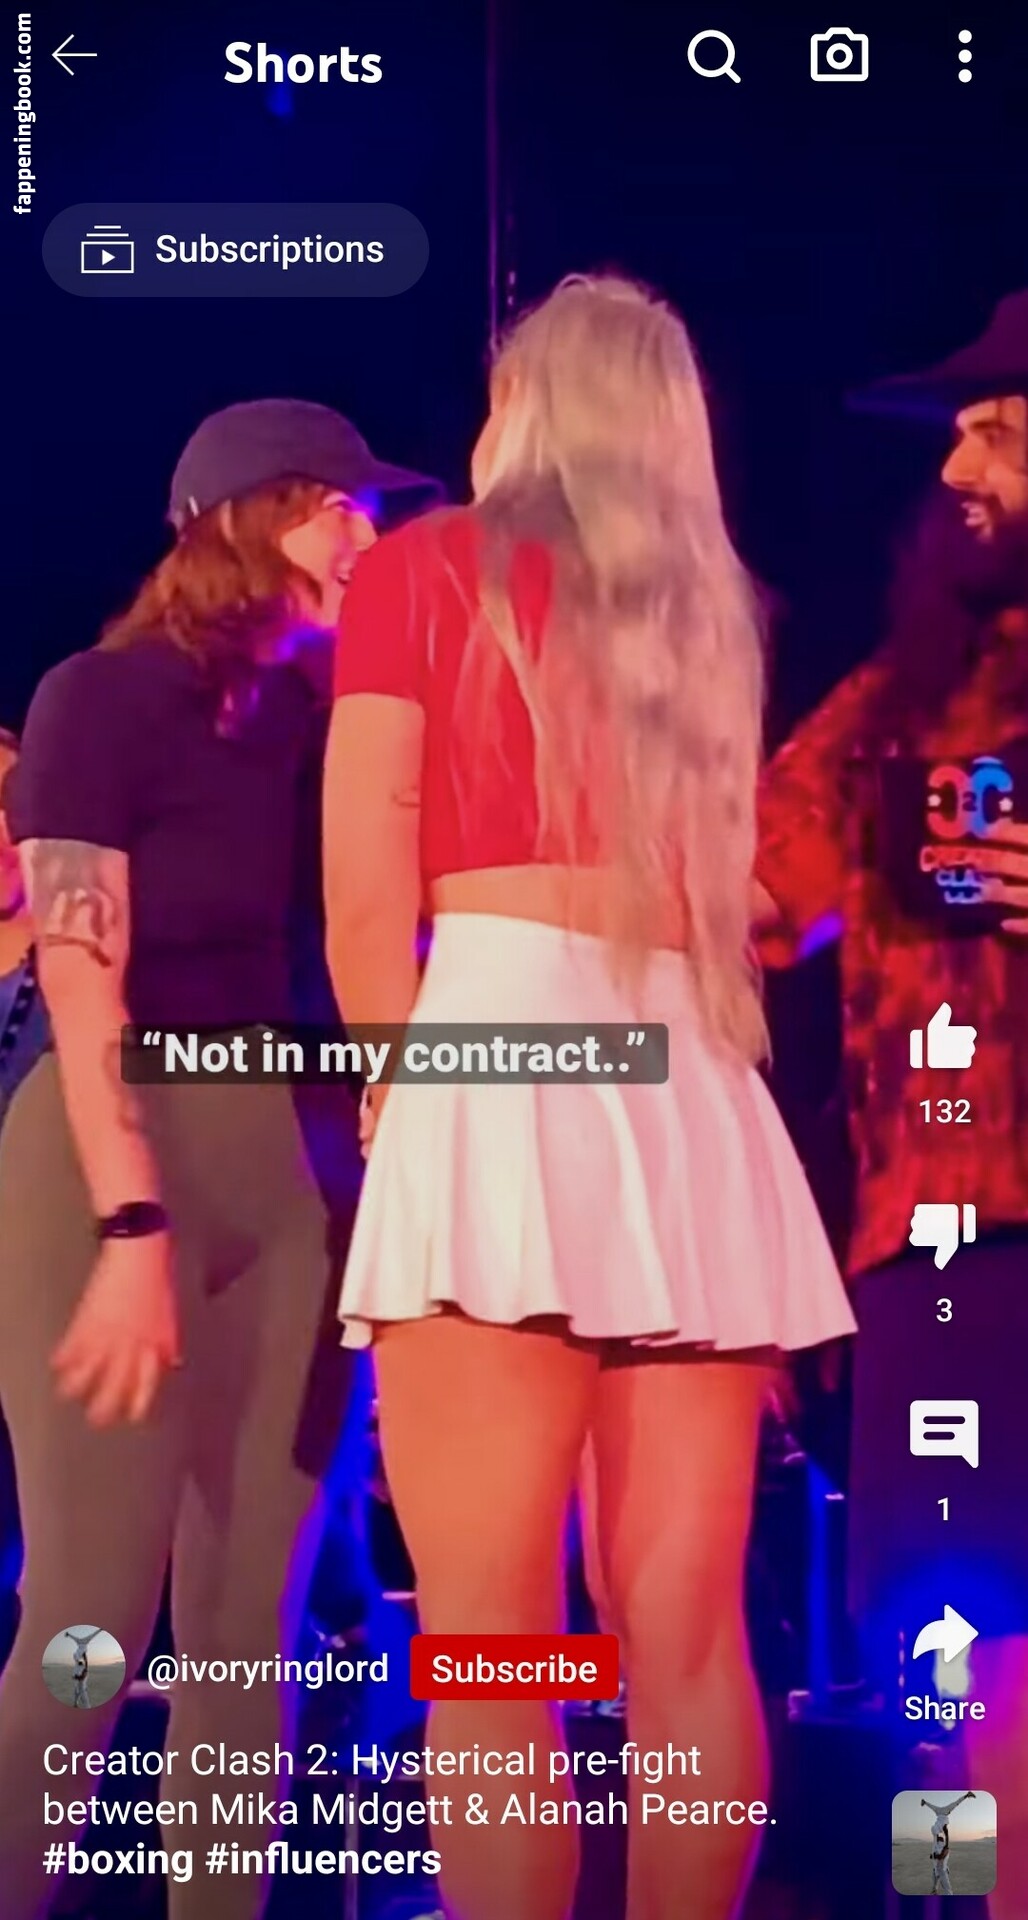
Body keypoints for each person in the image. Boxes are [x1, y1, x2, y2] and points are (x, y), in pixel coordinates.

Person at [323, 273, 855, 1920]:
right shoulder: (714, 612)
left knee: (491, 1641)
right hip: (691, 1073)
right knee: (686, 1631)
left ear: (528, 405)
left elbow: (363, 890)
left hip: (500, 1044)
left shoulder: (420, 569)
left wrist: (392, 1093)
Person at [0, 398, 436, 1920]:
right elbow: (79, 977)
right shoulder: (100, 699)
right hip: (118, 1156)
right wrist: (129, 1221)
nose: (369, 536)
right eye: (339, 508)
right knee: (90, 1621)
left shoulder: (338, 734)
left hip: (299, 1170)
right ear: (248, 519)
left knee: (250, 1632)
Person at [754, 291, 1028, 1920]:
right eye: (956, 434)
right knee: (951, 1644)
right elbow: (744, 894)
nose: (957, 466)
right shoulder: (897, 704)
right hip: (944, 1222)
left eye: (997, 430)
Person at [64, 1626, 102, 1709]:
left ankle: (82, 1705)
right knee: (79, 1689)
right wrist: (100, 1630)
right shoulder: (82, 1648)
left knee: (80, 1689)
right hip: (80, 1665)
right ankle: (80, 1704)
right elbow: (93, 1635)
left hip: (80, 1665)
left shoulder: (79, 1645)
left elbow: (74, 1638)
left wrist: (68, 1634)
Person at [930, 1823, 953, 1895]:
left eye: (940, 1840)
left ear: (943, 1842)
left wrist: (946, 1830)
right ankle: (934, 1893)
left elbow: (940, 1856)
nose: (939, 1841)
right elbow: (932, 1856)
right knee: (934, 1885)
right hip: (935, 1869)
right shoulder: (936, 1848)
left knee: (947, 1888)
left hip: (943, 1870)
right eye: (938, 1840)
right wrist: (936, 1834)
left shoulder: (946, 1849)